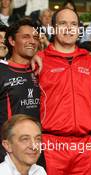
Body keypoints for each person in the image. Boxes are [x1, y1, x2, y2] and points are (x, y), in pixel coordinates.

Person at [37, 8, 91, 175]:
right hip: (52, 144)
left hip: (85, 144)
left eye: (74, 24)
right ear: (53, 28)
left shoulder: (89, 61)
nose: (69, 28)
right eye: (63, 23)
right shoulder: (40, 60)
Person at [0, 18, 40, 162]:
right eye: (26, 37)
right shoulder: (1, 70)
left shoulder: (42, 70)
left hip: (37, 154)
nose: (32, 41)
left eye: (35, 37)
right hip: (8, 156)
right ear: (11, 41)